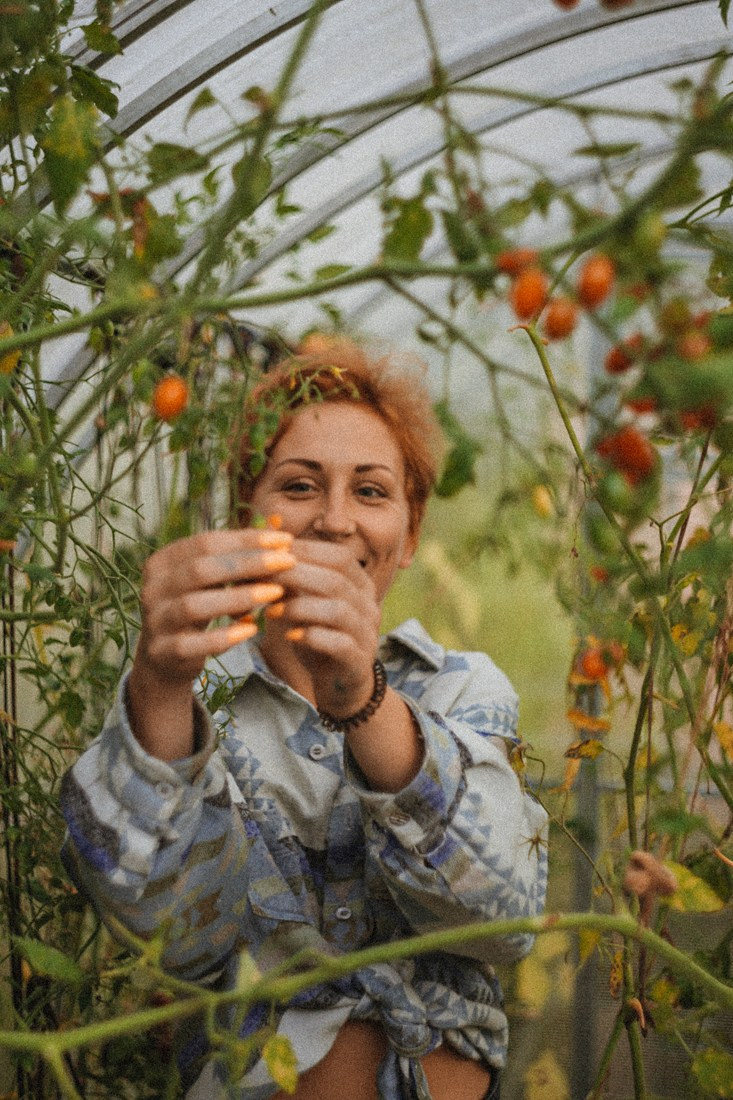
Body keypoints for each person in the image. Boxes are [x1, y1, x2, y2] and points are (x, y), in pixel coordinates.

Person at [60, 337, 548, 1100]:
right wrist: (158, 683)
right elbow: (172, 938)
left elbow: (504, 919)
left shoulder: (458, 691)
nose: (332, 520)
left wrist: (363, 699)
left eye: (371, 491)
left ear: (410, 535)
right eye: (298, 485)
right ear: (247, 517)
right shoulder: (192, 704)